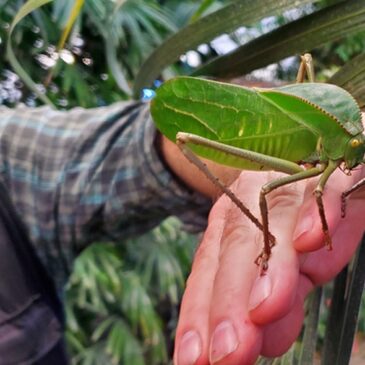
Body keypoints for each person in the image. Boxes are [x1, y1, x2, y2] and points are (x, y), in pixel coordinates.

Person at [0, 99, 364, 365]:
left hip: (296, 126)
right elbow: (312, 187)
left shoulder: (12, 150)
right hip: (286, 144)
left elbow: (138, 146)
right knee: (280, 190)